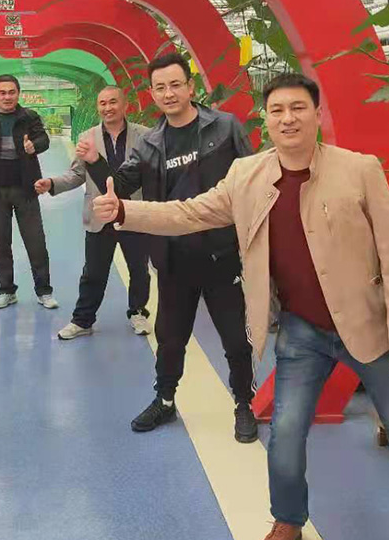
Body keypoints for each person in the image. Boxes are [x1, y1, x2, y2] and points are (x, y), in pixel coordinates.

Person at [91, 72, 389, 540]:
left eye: (298, 108)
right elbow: (190, 213)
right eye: (278, 110)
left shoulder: (359, 170)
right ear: (265, 121)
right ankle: (287, 519)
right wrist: (124, 212)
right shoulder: (247, 176)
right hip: (302, 329)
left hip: (365, 322)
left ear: (317, 114)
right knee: (285, 431)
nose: (288, 119)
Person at [79, 53, 257, 442]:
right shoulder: (150, 143)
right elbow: (120, 185)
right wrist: (95, 163)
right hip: (173, 258)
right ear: (152, 94)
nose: (168, 93)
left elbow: (253, 179)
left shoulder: (225, 128)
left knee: (234, 339)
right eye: (160, 87)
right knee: (170, 338)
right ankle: (165, 400)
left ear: (191, 87)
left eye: (175, 84)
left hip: (221, 255)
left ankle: (244, 403)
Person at [34, 86, 152, 340]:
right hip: (100, 215)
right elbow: (77, 174)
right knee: (94, 272)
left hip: (133, 213)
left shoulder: (145, 136)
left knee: (139, 269)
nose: (107, 108)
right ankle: (83, 320)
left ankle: (137, 312)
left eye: (113, 102)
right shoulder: (88, 137)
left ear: (125, 105)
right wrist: (52, 183)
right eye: (102, 103)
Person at [0, 74, 58, 310]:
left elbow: (44, 139)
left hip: (26, 188)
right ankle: (7, 291)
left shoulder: (29, 117)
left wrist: (34, 146)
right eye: (3, 92)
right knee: (1, 243)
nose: (7, 97)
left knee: (35, 242)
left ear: (18, 94)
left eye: (12, 92)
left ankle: (44, 291)